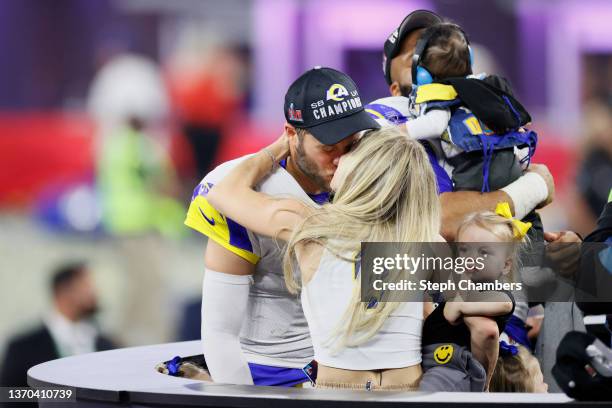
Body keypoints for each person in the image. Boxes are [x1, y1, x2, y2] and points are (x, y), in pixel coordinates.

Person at [184, 67, 380, 386]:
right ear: (291, 135)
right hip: (271, 370)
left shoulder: (376, 176)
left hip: (354, 368)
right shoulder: (257, 196)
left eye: (351, 145)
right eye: (329, 148)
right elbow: (220, 333)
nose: (341, 160)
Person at [207, 126, 439, 390]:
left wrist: (282, 145)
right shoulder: (426, 241)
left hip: (340, 392)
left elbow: (222, 192)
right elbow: (482, 316)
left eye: (351, 153)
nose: (338, 159)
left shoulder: (312, 229)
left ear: (366, 171)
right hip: (410, 389)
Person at [420, 204, 529, 392]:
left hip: (451, 364)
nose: (471, 258)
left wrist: (462, 307)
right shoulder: (462, 283)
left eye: (484, 252)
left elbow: (505, 303)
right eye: (464, 250)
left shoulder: (491, 290)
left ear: (505, 265)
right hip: (432, 359)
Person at [0, 262, 115, 393]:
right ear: (64, 291)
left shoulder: (106, 345)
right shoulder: (22, 348)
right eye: (86, 286)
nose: (94, 293)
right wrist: (63, 398)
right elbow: (9, 397)